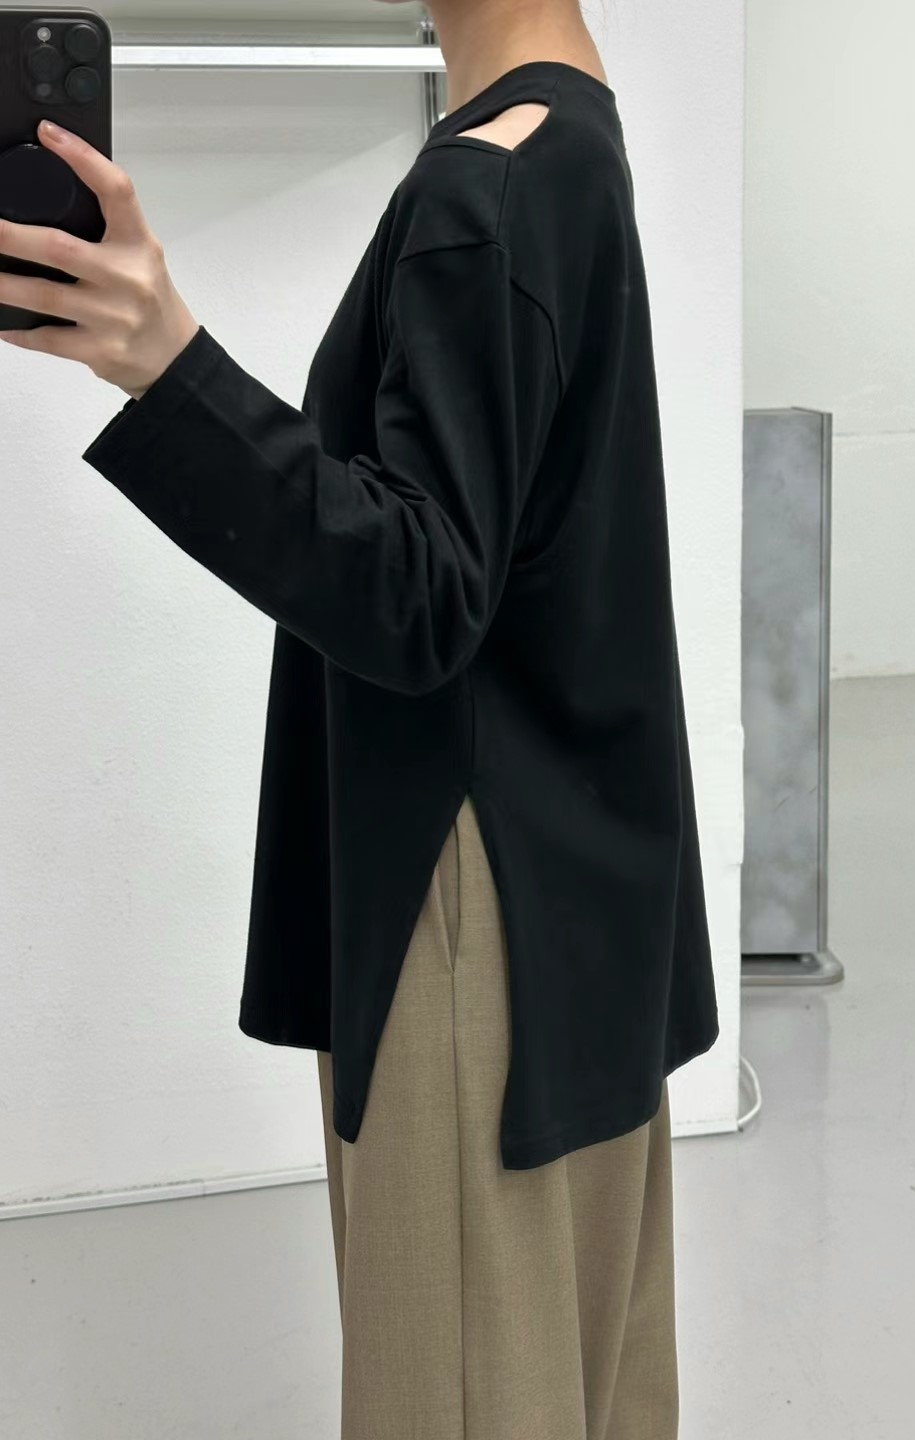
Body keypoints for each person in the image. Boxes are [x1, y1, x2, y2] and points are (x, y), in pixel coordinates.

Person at [0, 0, 720, 1434]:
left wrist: (167, 364)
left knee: (456, 1390)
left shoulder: (487, 184)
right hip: (575, 875)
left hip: (467, 893)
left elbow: (419, 595)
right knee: (582, 1378)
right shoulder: (570, 136)